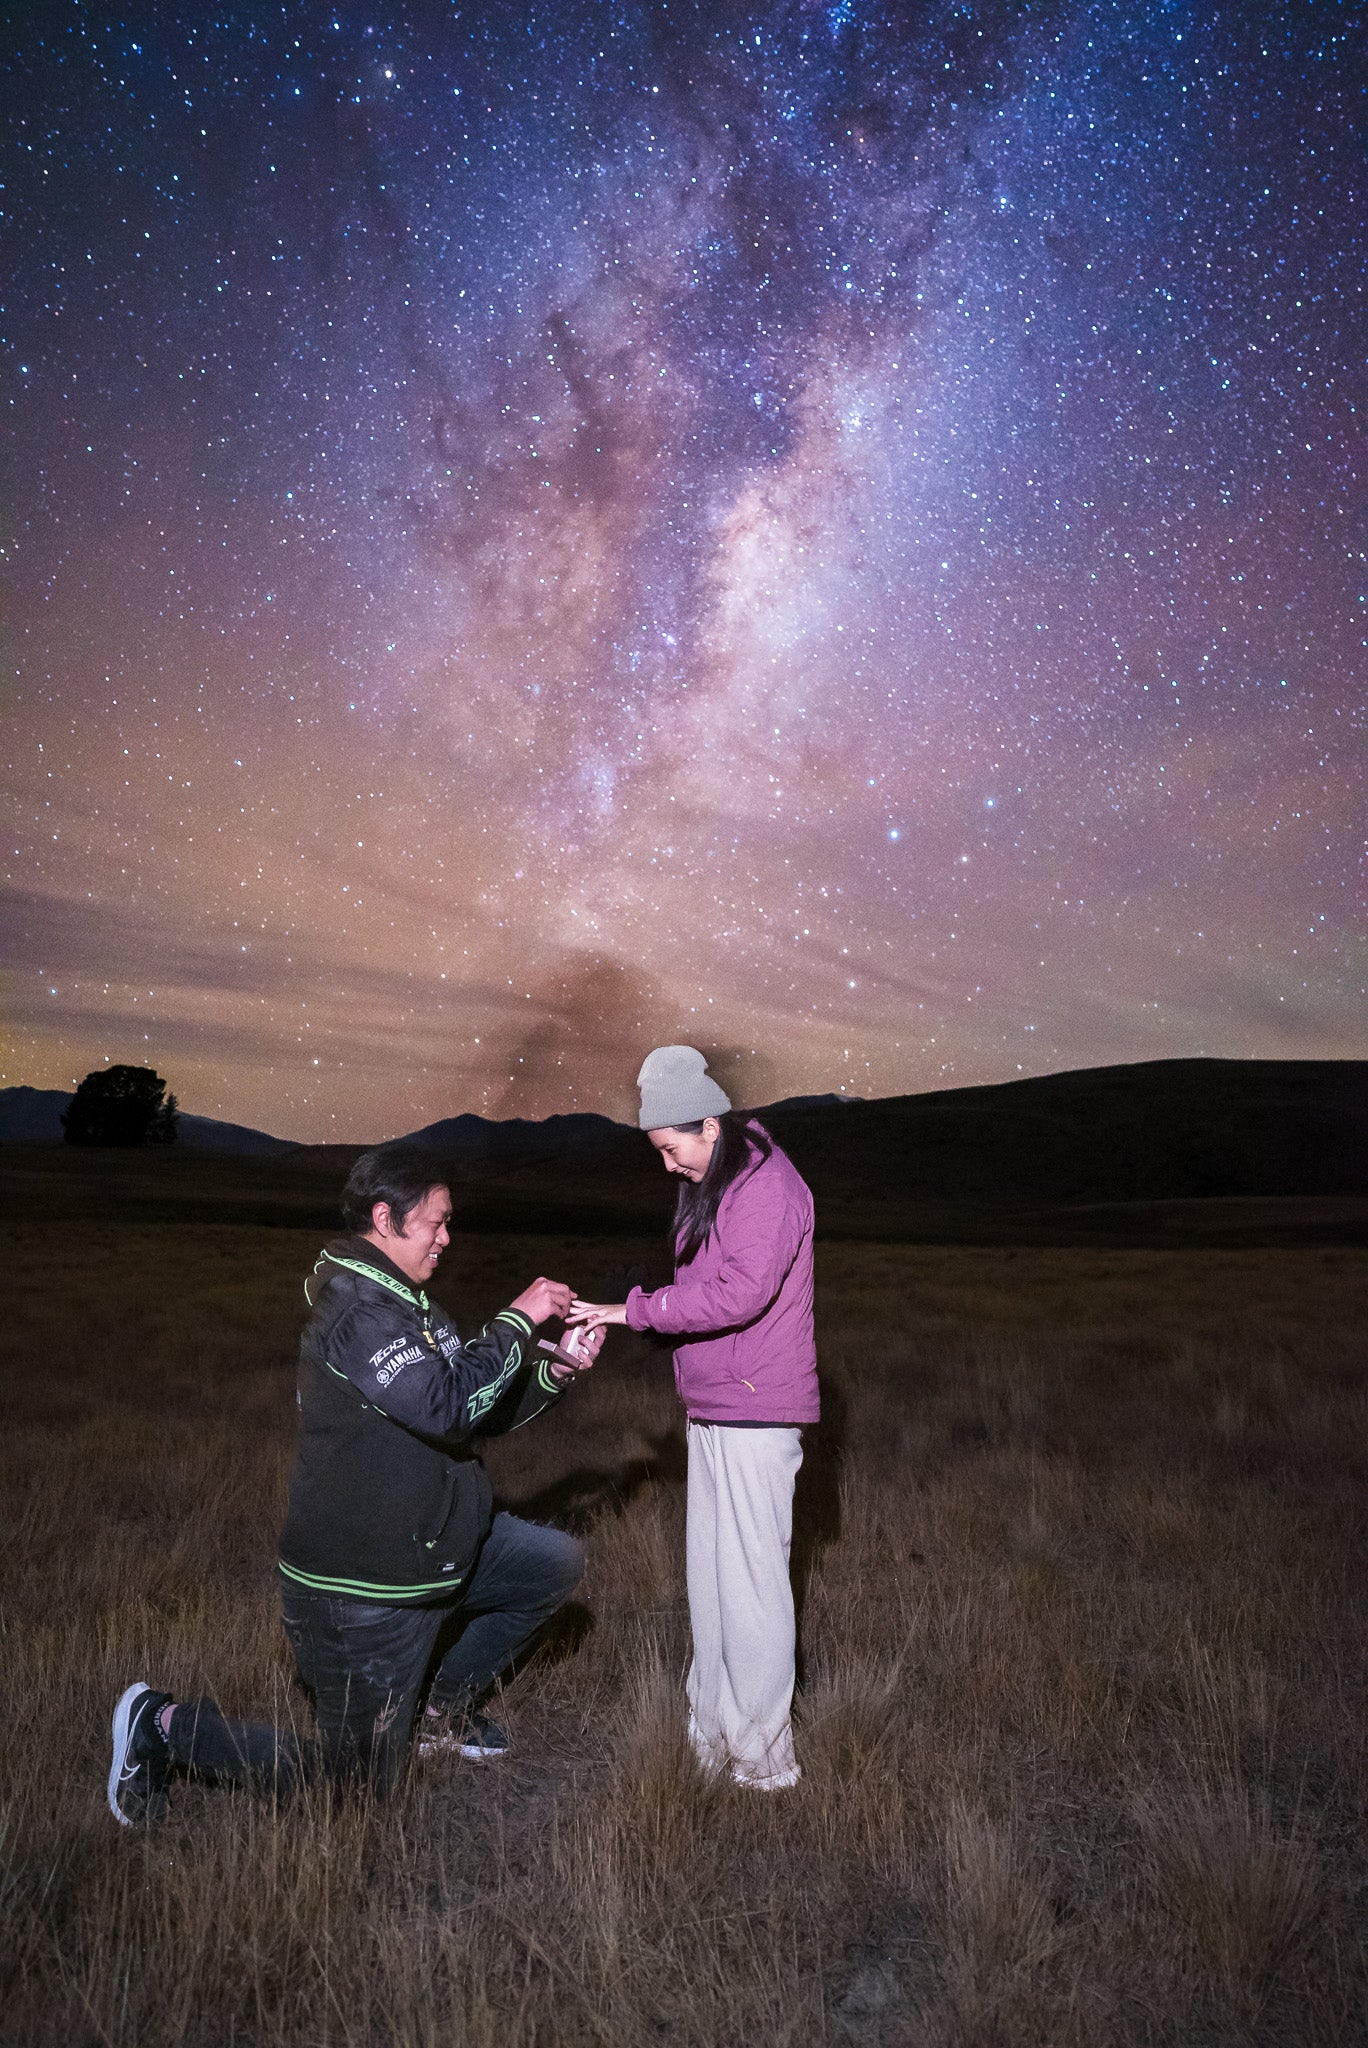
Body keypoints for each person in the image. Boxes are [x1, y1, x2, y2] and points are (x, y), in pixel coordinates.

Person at [108, 1142, 600, 1825]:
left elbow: (466, 1412)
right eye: (436, 1221)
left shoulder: (411, 1305)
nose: (446, 1237)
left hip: (436, 1551)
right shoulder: (357, 1314)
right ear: (386, 1218)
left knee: (553, 1564)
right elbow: (446, 1405)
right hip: (360, 1594)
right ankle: (160, 1726)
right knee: (355, 1795)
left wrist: (555, 1371)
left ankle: (438, 1715)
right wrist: (517, 1320)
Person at [568, 1045, 817, 1791]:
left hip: (755, 1408)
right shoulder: (722, 1178)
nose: (668, 1167)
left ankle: (765, 1760)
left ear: (709, 1125)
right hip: (716, 1406)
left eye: (672, 1150)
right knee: (712, 1582)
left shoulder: (766, 1185)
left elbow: (740, 1294)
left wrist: (630, 1310)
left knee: (752, 1586)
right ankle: (712, 1736)